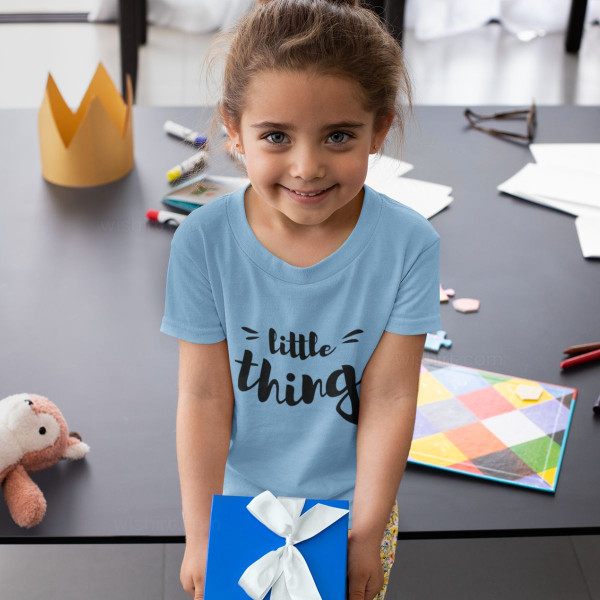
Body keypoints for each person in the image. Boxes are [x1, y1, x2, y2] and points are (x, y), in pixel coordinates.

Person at [160, 0, 441, 598]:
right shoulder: (201, 242)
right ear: (233, 131)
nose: (307, 167)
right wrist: (201, 532)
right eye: (276, 136)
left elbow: (391, 397)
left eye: (338, 136)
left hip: (357, 509)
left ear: (379, 130)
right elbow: (204, 396)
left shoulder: (410, 244)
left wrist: (364, 535)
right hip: (238, 506)